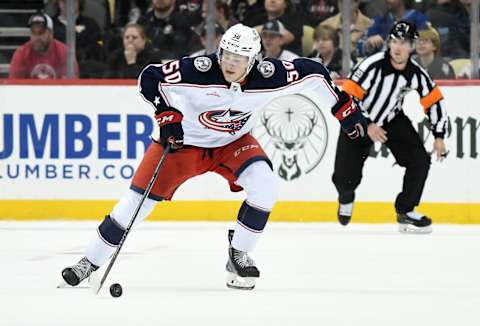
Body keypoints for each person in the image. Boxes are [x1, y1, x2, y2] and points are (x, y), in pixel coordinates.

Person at [61, 23, 367, 290]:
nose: (230, 63)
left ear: (254, 60)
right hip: (184, 145)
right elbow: (150, 77)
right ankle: (89, 262)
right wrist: (167, 115)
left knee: (266, 186)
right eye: (227, 55)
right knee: (133, 207)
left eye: (239, 58)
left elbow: (314, 74)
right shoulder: (199, 69)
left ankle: (238, 255)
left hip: (233, 142)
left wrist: (344, 109)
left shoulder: (269, 76)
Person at [333, 21, 449, 233]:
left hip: (391, 119)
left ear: (412, 46)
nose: (398, 47)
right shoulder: (370, 65)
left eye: (404, 43)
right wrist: (367, 124)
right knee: (345, 179)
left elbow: (434, 101)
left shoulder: (415, 73)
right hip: (358, 120)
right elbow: (347, 97)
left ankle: (405, 211)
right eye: (395, 41)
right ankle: (346, 197)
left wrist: (439, 135)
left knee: (420, 161)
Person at [9, 13, 79, 79]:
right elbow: (14, 86)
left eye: (41, 32)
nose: (37, 37)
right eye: (33, 32)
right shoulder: (22, 53)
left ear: (51, 33)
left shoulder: (65, 53)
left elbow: (71, 86)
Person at [357, 0, 428, 56]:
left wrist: (384, 37)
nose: (387, 0)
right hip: (382, 64)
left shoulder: (418, 18)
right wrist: (369, 44)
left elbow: (423, 44)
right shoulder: (380, 19)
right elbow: (361, 46)